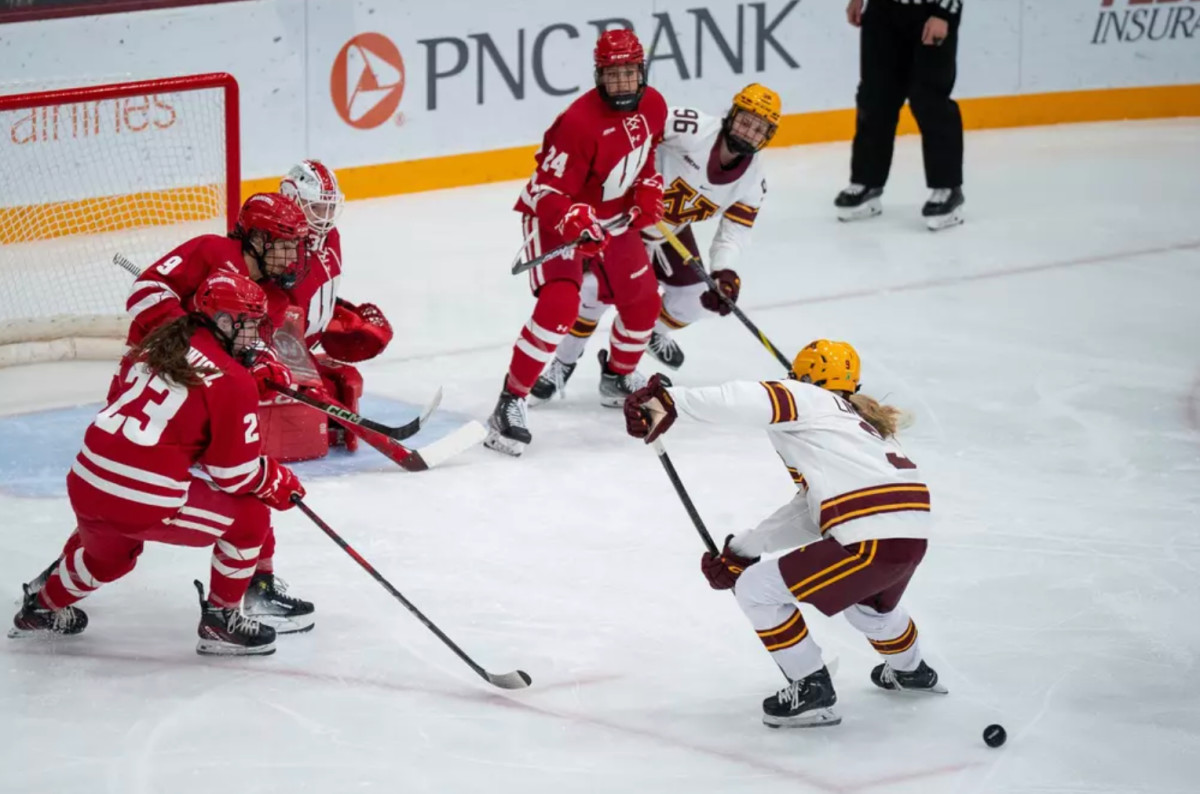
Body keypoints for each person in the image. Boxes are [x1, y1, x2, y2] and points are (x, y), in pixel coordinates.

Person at [623, 339, 945, 728]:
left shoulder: (811, 400)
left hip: (868, 536)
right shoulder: (861, 428)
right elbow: (813, 510)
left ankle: (812, 689)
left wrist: (668, 400)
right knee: (870, 608)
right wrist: (743, 549)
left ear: (804, 378)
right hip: (909, 535)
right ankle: (912, 670)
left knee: (756, 589)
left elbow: (746, 397)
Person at [9, 272, 305, 657]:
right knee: (251, 517)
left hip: (87, 478)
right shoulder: (233, 381)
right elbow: (234, 475)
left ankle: (40, 610)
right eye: (248, 324)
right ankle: (222, 620)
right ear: (223, 321)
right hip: (141, 498)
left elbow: (137, 401)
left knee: (107, 560)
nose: (255, 335)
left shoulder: (158, 342)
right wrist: (275, 479)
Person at [123, 192, 318, 633]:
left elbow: (251, 346)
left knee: (249, 480)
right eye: (286, 244)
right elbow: (145, 292)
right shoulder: (212, 251)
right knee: (123, 490)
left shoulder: (273, 296)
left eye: (298, 245)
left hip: (204, 402)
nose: (294, 257)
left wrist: (264, 363)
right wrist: (196, 345)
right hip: (153, 387)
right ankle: (59, 576)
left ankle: (258, 586)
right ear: (257, 240)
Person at [483, 27, 668, 457]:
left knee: (643, 301)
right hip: (558, 216)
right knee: (560, 305)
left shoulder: (655, 105)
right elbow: (548, 192)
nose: (621, 83)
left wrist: (648, 186)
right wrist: (572, 220)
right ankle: (510, 401)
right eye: (612, 75)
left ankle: (617, 377)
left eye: (629, 73)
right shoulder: (579, 123)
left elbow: (645, 155)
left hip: (612, 217)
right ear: (599, 75)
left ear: (642, 71)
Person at [532, 84, 777, 397]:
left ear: (768, 136)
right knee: (595, 293)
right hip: (623, 219)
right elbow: (637, 128)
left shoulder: (753, 182)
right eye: (745, 120)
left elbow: (735, 231)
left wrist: (724, 272)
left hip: (668, 231)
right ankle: (563, 363)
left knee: (694, 301)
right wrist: (632, 179)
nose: (748, 132)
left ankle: (632, 353)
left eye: (758, 129)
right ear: (731, 114)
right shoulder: (692, 129)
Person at [263, 159, 394, 461]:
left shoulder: (330, 237)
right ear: (292, 200)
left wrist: (337, 313)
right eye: (316, 208)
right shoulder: (275, 245)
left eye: (329, 208)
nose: (324, 217)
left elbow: (311, 290)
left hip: (300, 345)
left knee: (367, 340)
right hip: (272, 348)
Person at [836, 0, 965, 230]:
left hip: (931, 11)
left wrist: (943, 14)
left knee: (929, 100)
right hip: (882, 11)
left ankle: (948, 188)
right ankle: (868, 183)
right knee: (875, 97)